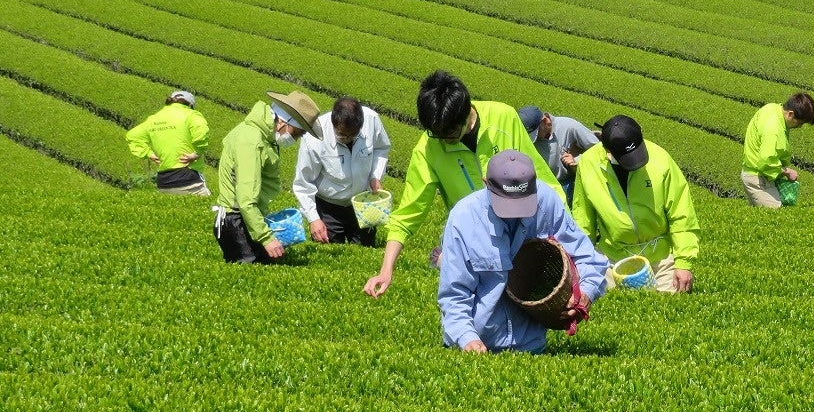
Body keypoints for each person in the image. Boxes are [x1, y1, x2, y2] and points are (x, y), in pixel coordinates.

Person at [363, 70, 564, 298]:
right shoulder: (428, 148)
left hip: (523, 238)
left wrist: (565, 233)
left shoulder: (503, 118)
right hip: (477, 247)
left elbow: (540, 177)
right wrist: (386, 271)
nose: (443, 140)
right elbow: (408, 214)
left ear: (466, 114)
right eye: (435, 134)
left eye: (449, 133)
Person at [438, 150, 607, 354]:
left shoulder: (546, 201)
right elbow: (454, 294)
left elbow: (588, 257)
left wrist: (586, 293)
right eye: (506, 204)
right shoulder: (462, 219)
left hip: (532, 346)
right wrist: (467, 338)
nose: (514, 214)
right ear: (486, 183)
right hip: (477, 346)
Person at [572, 115, 699, 293]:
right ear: (607, 150)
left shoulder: (661, 159)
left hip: (660, 259)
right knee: (594, 299)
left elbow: (681, 213)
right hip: (614, 259)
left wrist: (684, 262)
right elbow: (583, 218)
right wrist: (582, 263)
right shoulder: (588, 164)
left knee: (670, 302)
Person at [213, 89, 322, 265]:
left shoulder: (266, 138)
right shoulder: (251, 141)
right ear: (283, 122)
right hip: (236, 221)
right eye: (297, 133)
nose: (296, 139)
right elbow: (246, 200)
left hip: (248, 218)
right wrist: (266, 238)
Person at [293, 96, 391, 247]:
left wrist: (375, 176)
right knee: (328, 252)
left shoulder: (371, 120)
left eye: (354, 135)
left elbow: (381, 148)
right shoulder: (314, 137)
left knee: (365, 247)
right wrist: (314, 219)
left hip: (362, 202)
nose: (348, 139)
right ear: (333, 123)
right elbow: (304, 183)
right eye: (343, 135)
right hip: (328, 206)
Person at [741, 92, 814, 207]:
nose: (799, 127)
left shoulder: (772, 108)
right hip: (759, 179)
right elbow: (766, 162)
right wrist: (787, 172)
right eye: (799, 123)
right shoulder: (774, 130)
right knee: (776, 214)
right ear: (790, 114)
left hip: (755, 174)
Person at [125, 89, 210, 195]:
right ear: (190, 105)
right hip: (188, 176)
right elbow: (201, 132)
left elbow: (132, 136)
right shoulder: (191, 114)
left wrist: (149, 154)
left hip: (163, 180)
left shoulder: (154, 118)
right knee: (213, 205)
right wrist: (197, 153)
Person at [518, 106, 599, 203]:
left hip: (568, 182)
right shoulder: (526, 137)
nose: (535, 139)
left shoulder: (569, 127)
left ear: (545, 121)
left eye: (536, 133)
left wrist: (577, 160)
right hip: (540, 184)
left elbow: (599, 150)